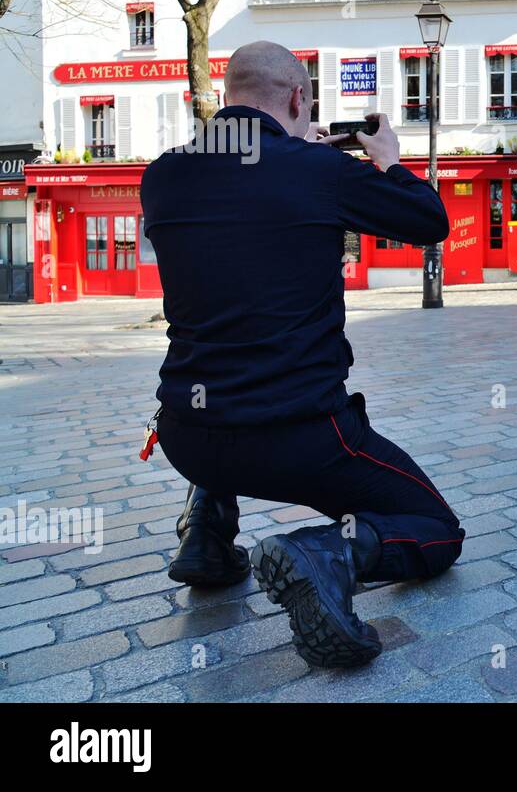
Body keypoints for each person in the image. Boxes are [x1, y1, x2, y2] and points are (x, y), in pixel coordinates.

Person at [141, 40, 464, 668]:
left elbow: (242, 215)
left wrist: (294, 155)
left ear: (226, 95)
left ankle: (207, 534)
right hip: (302, 442)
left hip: (190, 435)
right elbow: (428, 220)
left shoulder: (164, 175)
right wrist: (386, 162)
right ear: (298, 98)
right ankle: (330, 554)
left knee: (222, 370)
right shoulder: (321, 171)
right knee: (439, 529)